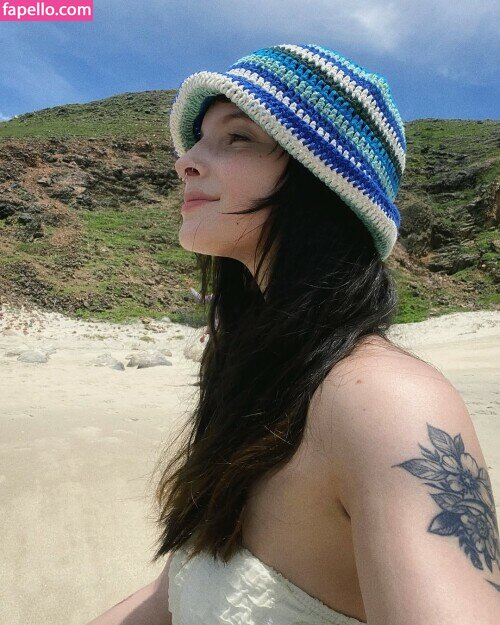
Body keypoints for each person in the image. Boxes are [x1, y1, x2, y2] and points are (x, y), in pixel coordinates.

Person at [87, 43, 499, 624]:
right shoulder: (258, 382)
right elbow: (174, 594)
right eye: (198, 140)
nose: (186, 162)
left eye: (238, 137)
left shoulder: (385, 402)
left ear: (323, 181)